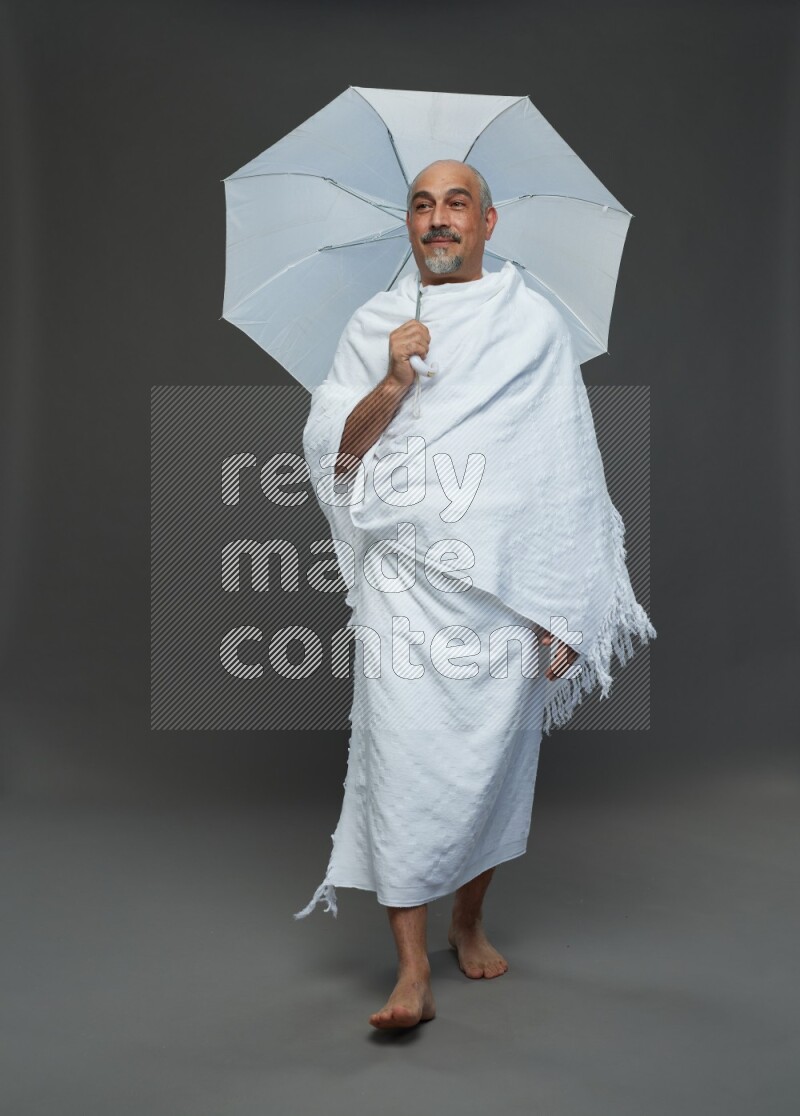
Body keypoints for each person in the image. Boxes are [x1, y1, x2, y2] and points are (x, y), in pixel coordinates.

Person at [295, 160, 656, 1031]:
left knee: (494, 758)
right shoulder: (376, 323)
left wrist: (561, 601)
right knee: (402, 758)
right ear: (408, 225)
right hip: (405, 583)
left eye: (457, 203)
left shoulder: (529, 322)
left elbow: (563, 467)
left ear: (489, 223)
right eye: (422, 205)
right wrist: (391, 381)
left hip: (504, 582)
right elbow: (338, 459)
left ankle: (468, 914)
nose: (438, 219)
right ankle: (412, 970)